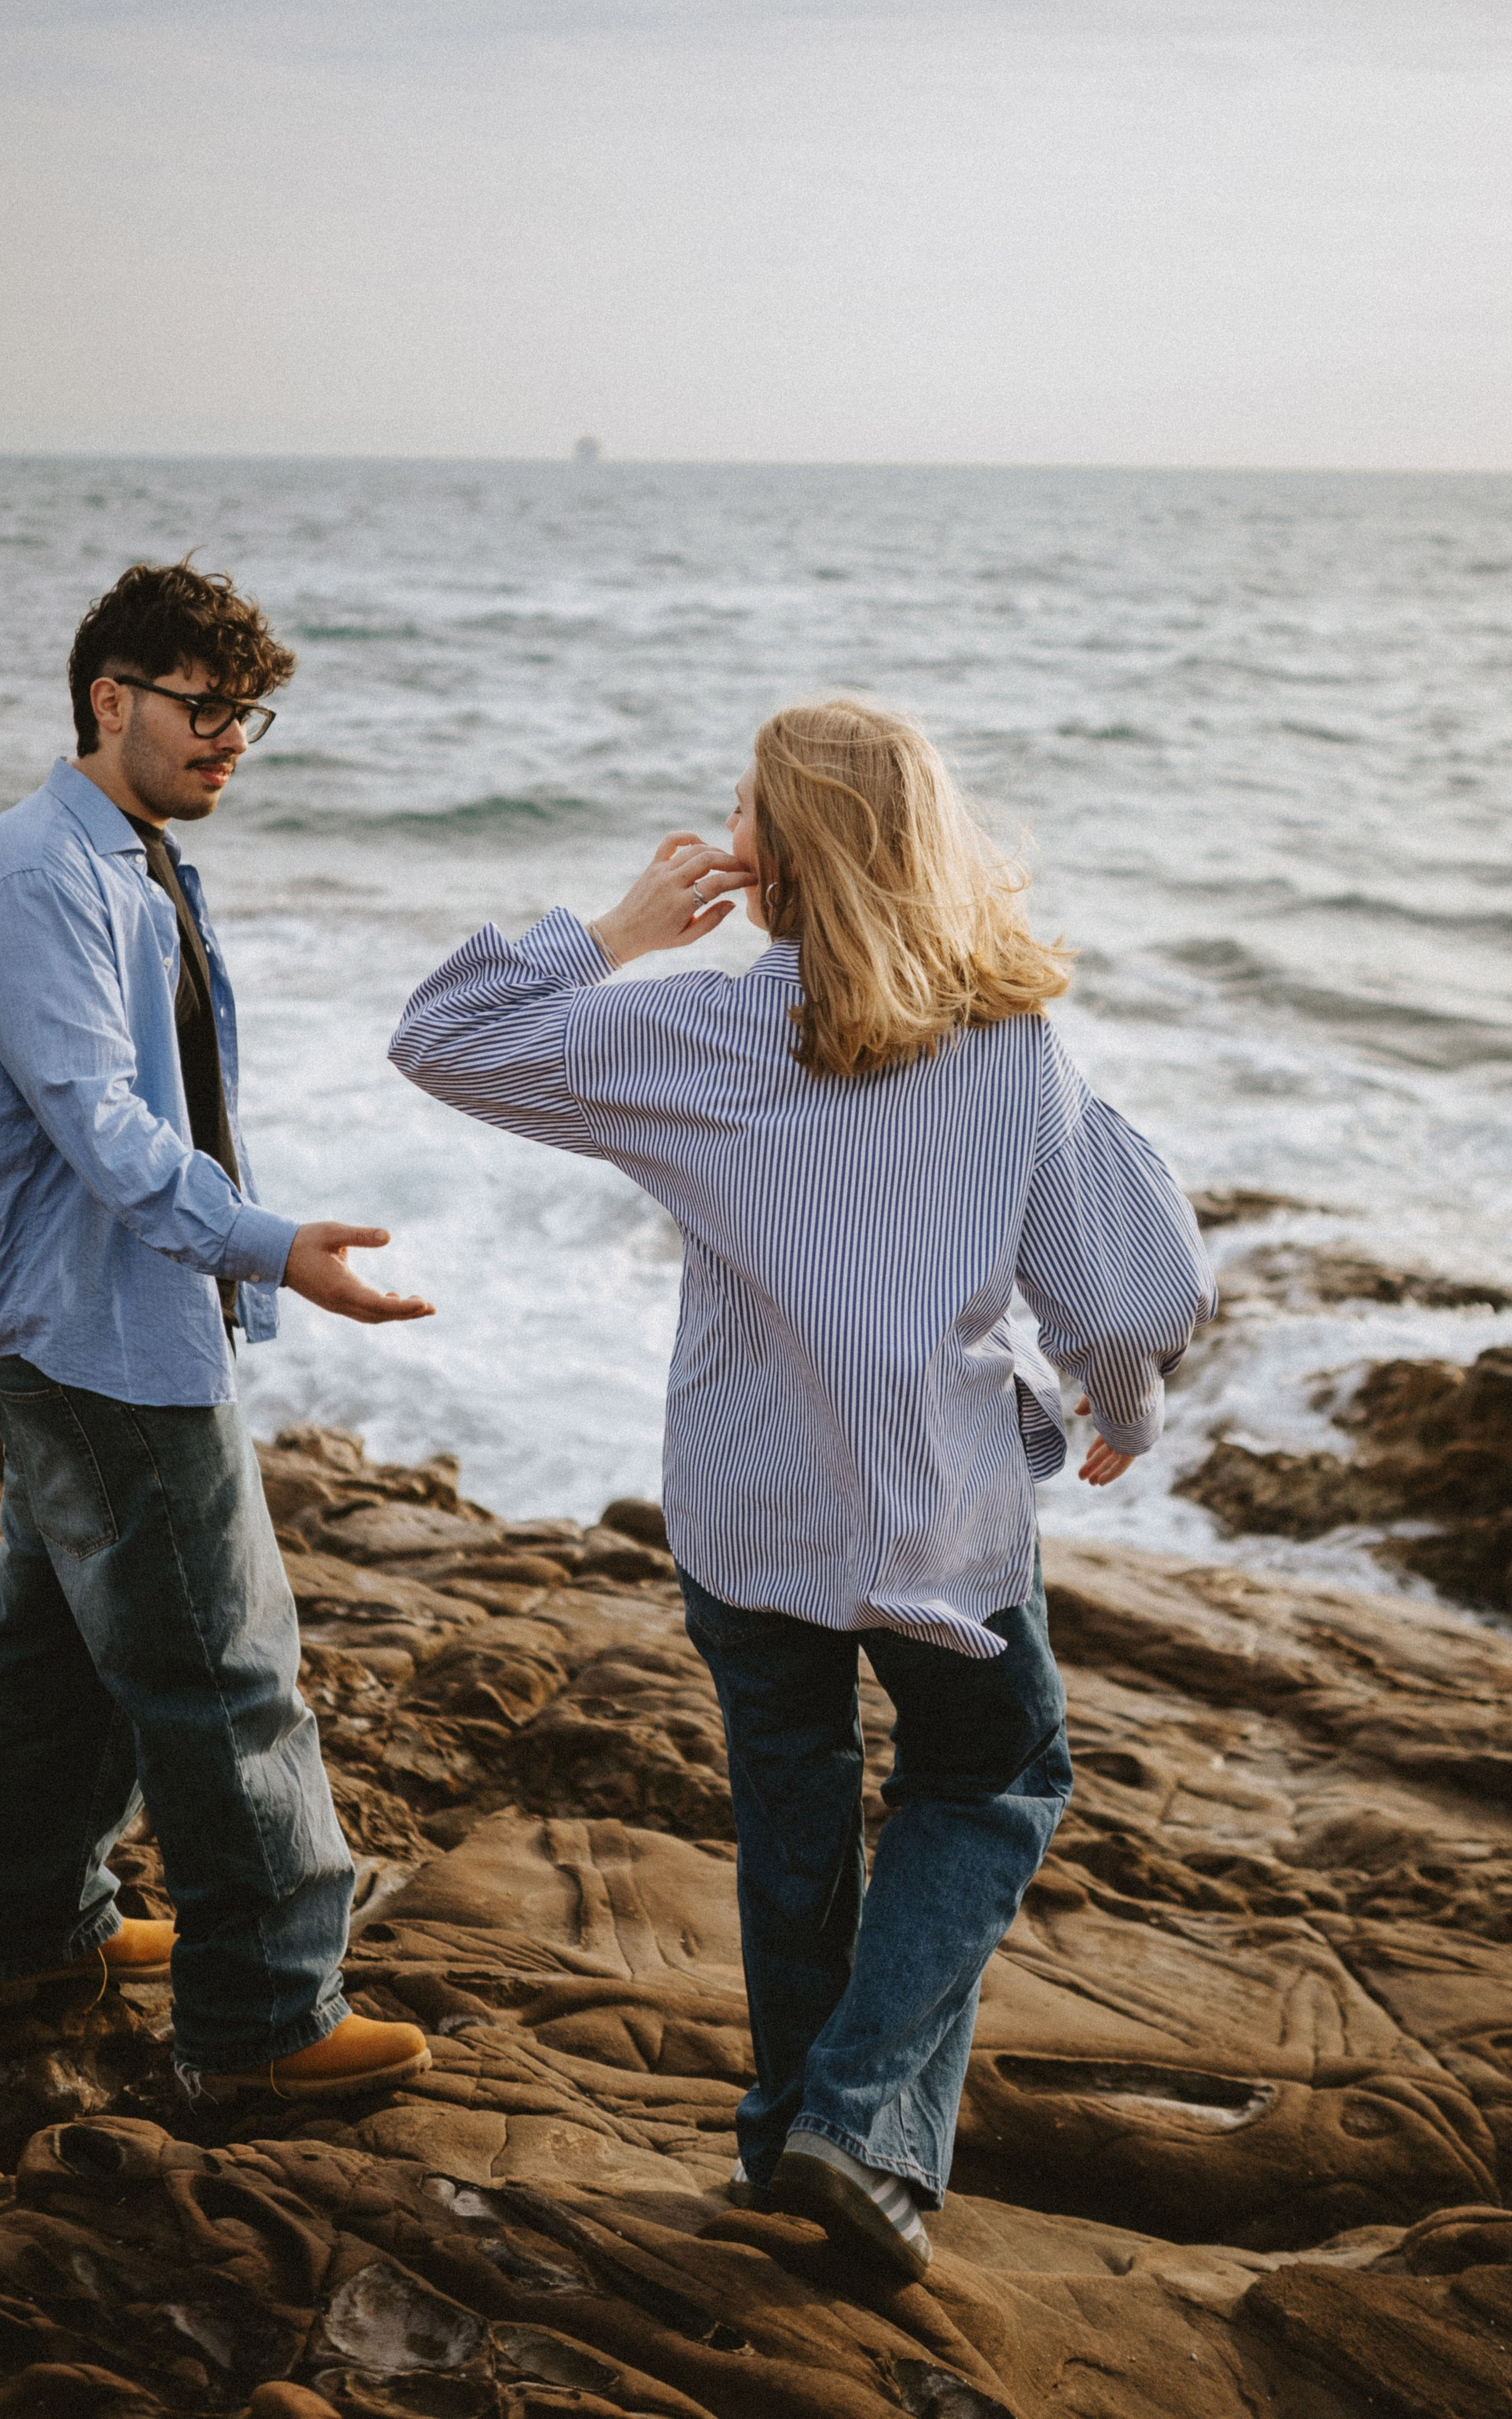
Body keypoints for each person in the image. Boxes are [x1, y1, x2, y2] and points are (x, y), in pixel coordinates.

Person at [387, 698, 1214, 2277]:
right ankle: (850, 2125)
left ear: (775, 858)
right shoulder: (1010, 1034)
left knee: (792, 1825)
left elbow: (442, 1040)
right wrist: (1120, 1406)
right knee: (988, 1788)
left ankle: (794, 2146)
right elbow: (1121, 1294)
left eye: (744, 815)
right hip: (939, 1517)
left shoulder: (699, 1031)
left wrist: (613, 930)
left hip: (746, 1505)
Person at [0, 559, 436, 2102]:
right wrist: (274, 1247)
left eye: (247, 715)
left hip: (107, 1317)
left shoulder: (131, 860)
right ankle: (263, 2020)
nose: (231, 740)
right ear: (111, 698)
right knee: (226, 1669)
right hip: (96, 1333)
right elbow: (103, 1127)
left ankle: (30, 1932)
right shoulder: (34, 882)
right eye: (206, 708)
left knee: (66, 1650)